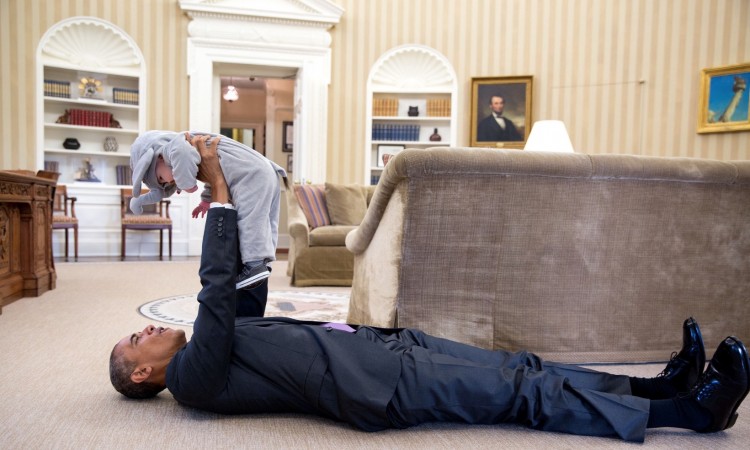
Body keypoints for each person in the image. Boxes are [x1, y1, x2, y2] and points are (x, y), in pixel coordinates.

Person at [110, 137, 750, 443]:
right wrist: (216, 187)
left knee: (521, 365)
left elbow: (245, 275)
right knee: (520, 394)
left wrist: (224, 199)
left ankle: (658, 386)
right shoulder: (193, 379)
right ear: (144, 378)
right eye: (133, 344)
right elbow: (217, 292)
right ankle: (689, 414)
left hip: (384, 350)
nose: (142, 332)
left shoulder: (213, 349)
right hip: (380, 386)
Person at [129, 131, 287, 289]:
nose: (169, 181)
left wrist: (187, 184)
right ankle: (265, 263)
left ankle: (255, 264)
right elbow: (218, 170)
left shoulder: (176, 147)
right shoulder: (196, 149)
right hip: (263, 170)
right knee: (266, 219)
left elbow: (183, 154)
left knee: (251, 220)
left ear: (159, 157)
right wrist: (206, 201)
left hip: (250, 175)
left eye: (161, 178)